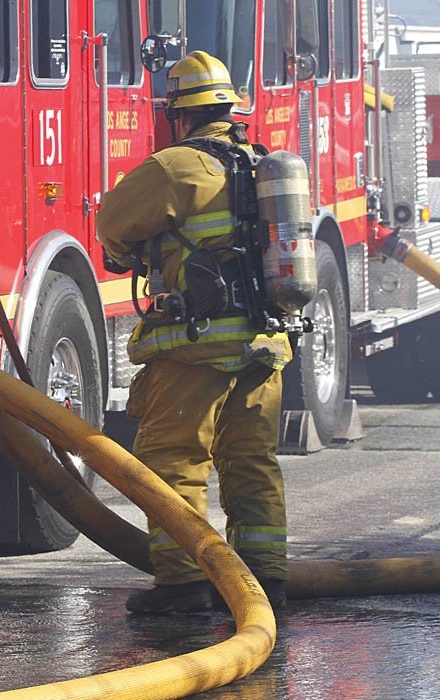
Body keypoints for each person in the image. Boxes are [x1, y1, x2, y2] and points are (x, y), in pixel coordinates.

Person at [97, 51, 292, 615]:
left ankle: (183, 585)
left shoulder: (174, 167)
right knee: (251, 462)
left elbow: (111, 225)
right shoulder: (263, 165)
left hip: (195, 347)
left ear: (177, 113)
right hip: (264, 345)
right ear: (230, 109)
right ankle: (266, 581)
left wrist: (131, 252)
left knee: (175, 462)